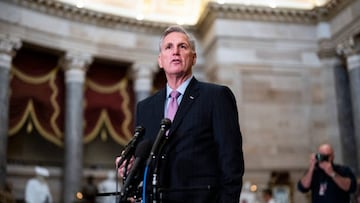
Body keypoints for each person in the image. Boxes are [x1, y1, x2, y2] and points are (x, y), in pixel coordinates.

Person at [116, 25, 244, 203]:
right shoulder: (145, 107)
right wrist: (131, 169)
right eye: (168, 47)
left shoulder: (216, 97)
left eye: (182, 46)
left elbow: (232, 163)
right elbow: (147, 168)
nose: (175, 52)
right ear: (160, 60)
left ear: (193, 58)